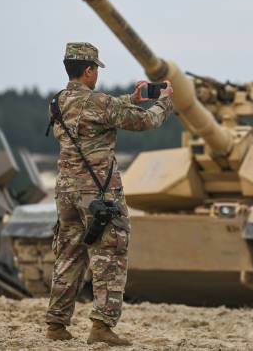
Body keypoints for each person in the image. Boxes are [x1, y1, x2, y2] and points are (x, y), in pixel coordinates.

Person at [45, 42, 173, 346]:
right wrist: (164, 102)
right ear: (89, 71)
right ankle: (102, 326)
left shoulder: (58, 102)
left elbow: (98, 108)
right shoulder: (100, 104)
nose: (96, 75)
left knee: (69, 254)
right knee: (110, 254)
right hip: (98, 195)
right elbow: (146, 121)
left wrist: (134, 97)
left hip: (66, 191)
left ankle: (56, 324)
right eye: (95, 70)